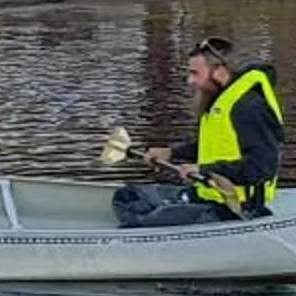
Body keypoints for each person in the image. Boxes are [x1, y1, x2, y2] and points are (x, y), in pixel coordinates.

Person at [114, 38, 286, 228]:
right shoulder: (220, 99)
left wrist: (204, 170)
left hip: (236, 208)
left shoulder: (249, 107)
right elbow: (213, 146)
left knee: (147, 221)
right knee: (127, 196)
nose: (190, 81)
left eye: (195, 73)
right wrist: (171, 153)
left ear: (219, 71)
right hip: (207, 194)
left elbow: (263, 167)